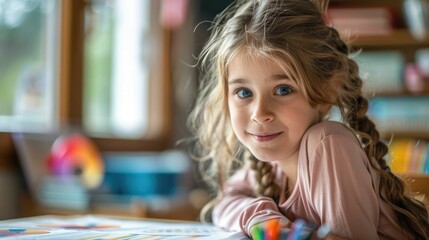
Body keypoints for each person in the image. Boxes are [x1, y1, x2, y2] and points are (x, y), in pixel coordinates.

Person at [187, 0, 429, 239]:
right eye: (244, 93)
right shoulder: (269, 166)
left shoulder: (327, 145)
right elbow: (225, 203)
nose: (259, 113)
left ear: (327, 91)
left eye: (283, 90)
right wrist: (261, 218)